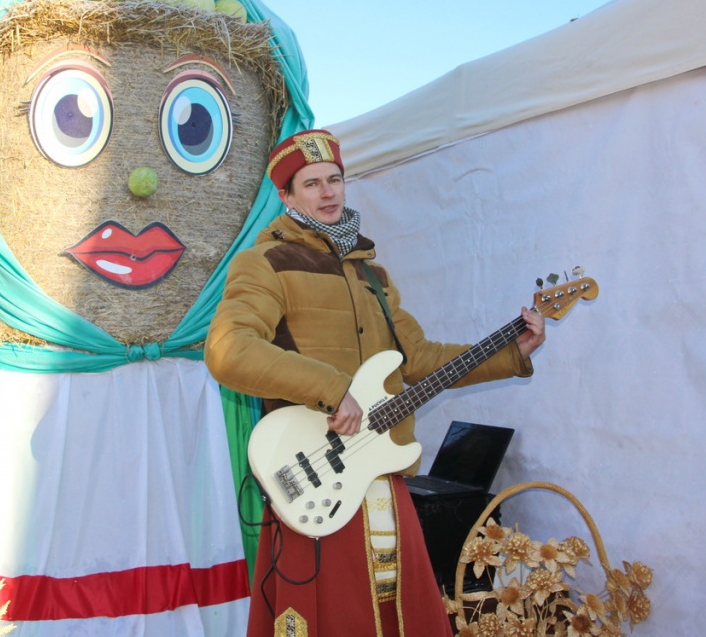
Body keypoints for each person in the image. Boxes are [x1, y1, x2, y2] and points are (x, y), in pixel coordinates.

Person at [204, 129, 545, 637]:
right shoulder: (265, 262)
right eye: (312, 183)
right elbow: (228, 349)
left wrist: (511, 353)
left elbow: (419, 360)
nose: (328, 193)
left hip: (383, 472)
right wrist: (331, 388)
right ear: (286, 196)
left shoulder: (374, 276)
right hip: (317, 479)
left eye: (335, 179)